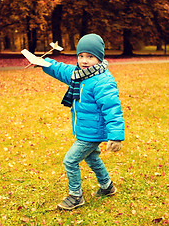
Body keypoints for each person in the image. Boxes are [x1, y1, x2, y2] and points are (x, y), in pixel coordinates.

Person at [41, 34, 125, 210]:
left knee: (70, 161)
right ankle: (107, 186)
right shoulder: (79, 75)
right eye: (81, 56)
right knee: (92, 158)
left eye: (90, 56)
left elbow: (112, 108)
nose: (84, 60)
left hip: (92, 132)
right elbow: (61, 69)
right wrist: (44, 63)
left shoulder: (103, 81)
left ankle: (75, 196)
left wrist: (116, 136)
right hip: (86, 129)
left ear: (99, 58)